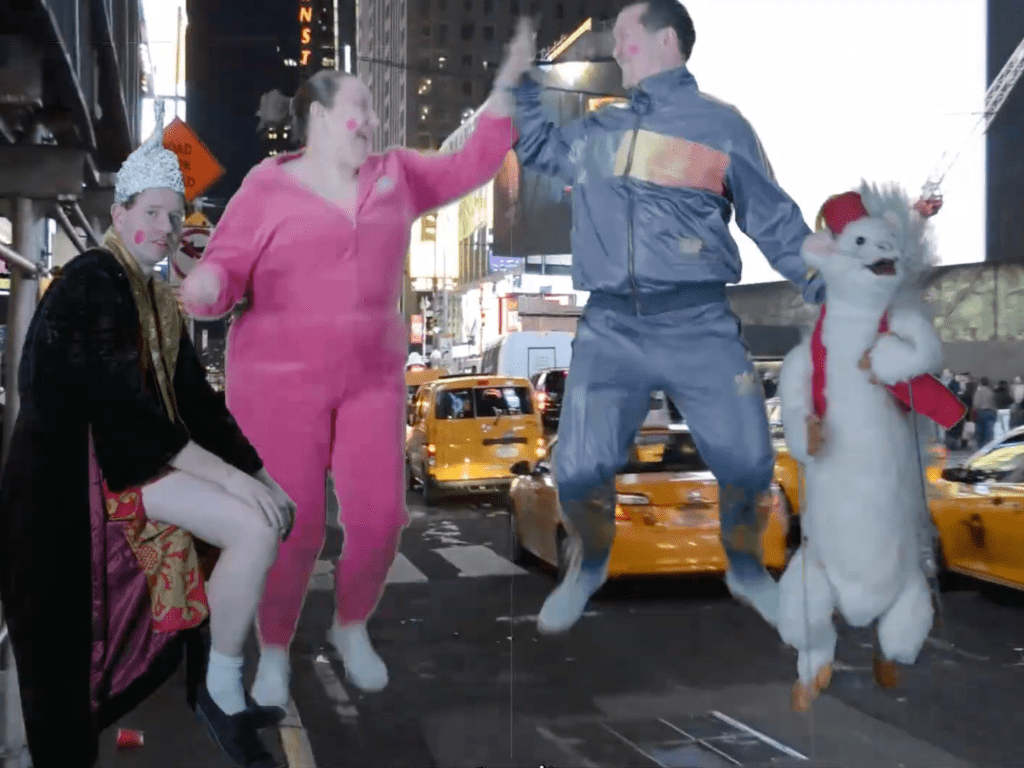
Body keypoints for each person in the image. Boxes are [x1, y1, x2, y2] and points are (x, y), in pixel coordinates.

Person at [180, 20, 534, 707]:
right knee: (296, 524)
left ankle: (350, 627)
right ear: (317, 117)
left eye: (373, 109)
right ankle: (274, 650)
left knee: (379, 519)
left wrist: (504, 91)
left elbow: (467, 166)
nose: (371, 120)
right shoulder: (265, 186)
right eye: (359, 109)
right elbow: (223, 268)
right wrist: (204, 291)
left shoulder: (396, 175)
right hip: (277, 384)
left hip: (371, 379)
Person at [509, 0, 827, 634]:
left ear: (666, 41)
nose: (616, 48)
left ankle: (744, 567)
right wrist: (519, 86)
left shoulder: (721, 127)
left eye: (626, 36)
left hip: (697, 321)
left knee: (747, 465)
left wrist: (828, 286)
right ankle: (590, 563)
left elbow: (772, 218)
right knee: (576, 471)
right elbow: (541, 149)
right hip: (609, 327)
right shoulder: (600, 130)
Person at [0, 101, 296, 768]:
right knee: (64, 705)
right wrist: (229, 478)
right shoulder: (91, 281)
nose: (165, 227)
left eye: (175, 213)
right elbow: (121, 409)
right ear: (120, 215)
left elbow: (199, 404)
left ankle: (219, 688)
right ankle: (215, 690)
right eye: (153, 212)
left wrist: (263, 479)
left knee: (259, 520)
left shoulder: (153, 300)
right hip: (72, 508)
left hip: (124, 482)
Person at [972, 376, 997, 449]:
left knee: (980, 431)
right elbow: (995, 403)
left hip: (981, 412)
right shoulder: (991, 391)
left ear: (980, 383)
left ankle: (981, 447)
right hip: (990, 412)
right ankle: (989, 446)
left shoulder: (978, 391)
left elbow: (976, 403)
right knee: (989, 431)